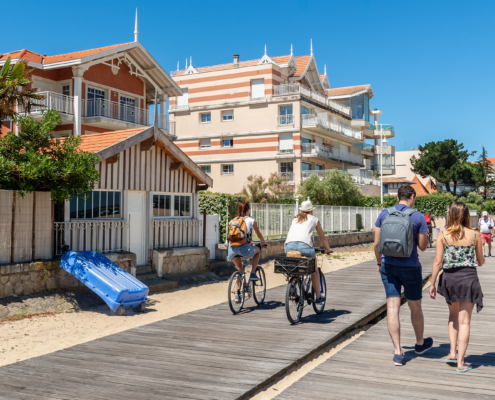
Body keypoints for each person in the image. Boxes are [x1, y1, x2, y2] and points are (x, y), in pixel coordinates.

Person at [374, 185, 433, 366]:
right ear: (412, 197)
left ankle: (398, 352)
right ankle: (420, 344)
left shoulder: (384, 214)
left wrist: (379, 263)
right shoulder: (417, 216)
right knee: (415, 307)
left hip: (388, 265)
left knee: (392, 307)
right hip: (410, 267)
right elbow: (423, 247)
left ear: (397, 196)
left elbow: (376, 244)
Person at [430, 202, 484, 373]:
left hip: (449, 279)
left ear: (450, 214)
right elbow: (481, 261)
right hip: (468, 279)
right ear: (467, 215)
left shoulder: (442, 235)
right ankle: (461, 363)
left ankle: (453, 353)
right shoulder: (475, 235)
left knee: (453, 315)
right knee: (465, 321)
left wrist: (432, 283)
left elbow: (438, 261)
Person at [285, 198, 332, 304]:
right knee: (314, 270)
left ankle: (293, 284)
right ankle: (319, 298)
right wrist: (328, 249)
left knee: (296, 265)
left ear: (301, 210)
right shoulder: (314, 219)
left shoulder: (294, 219)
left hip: (289, 246)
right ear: (311, 210)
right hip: (305, 246)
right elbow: (322, 237)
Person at [227, 201, 267, 303]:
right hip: (244, 249)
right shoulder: (251, 220)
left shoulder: (233, 221)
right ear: (248, 210)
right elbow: (259, 234)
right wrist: (263, 243)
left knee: (239, 270)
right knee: (257, 250)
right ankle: (253, 273)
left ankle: (237, 295)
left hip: (231, 250)